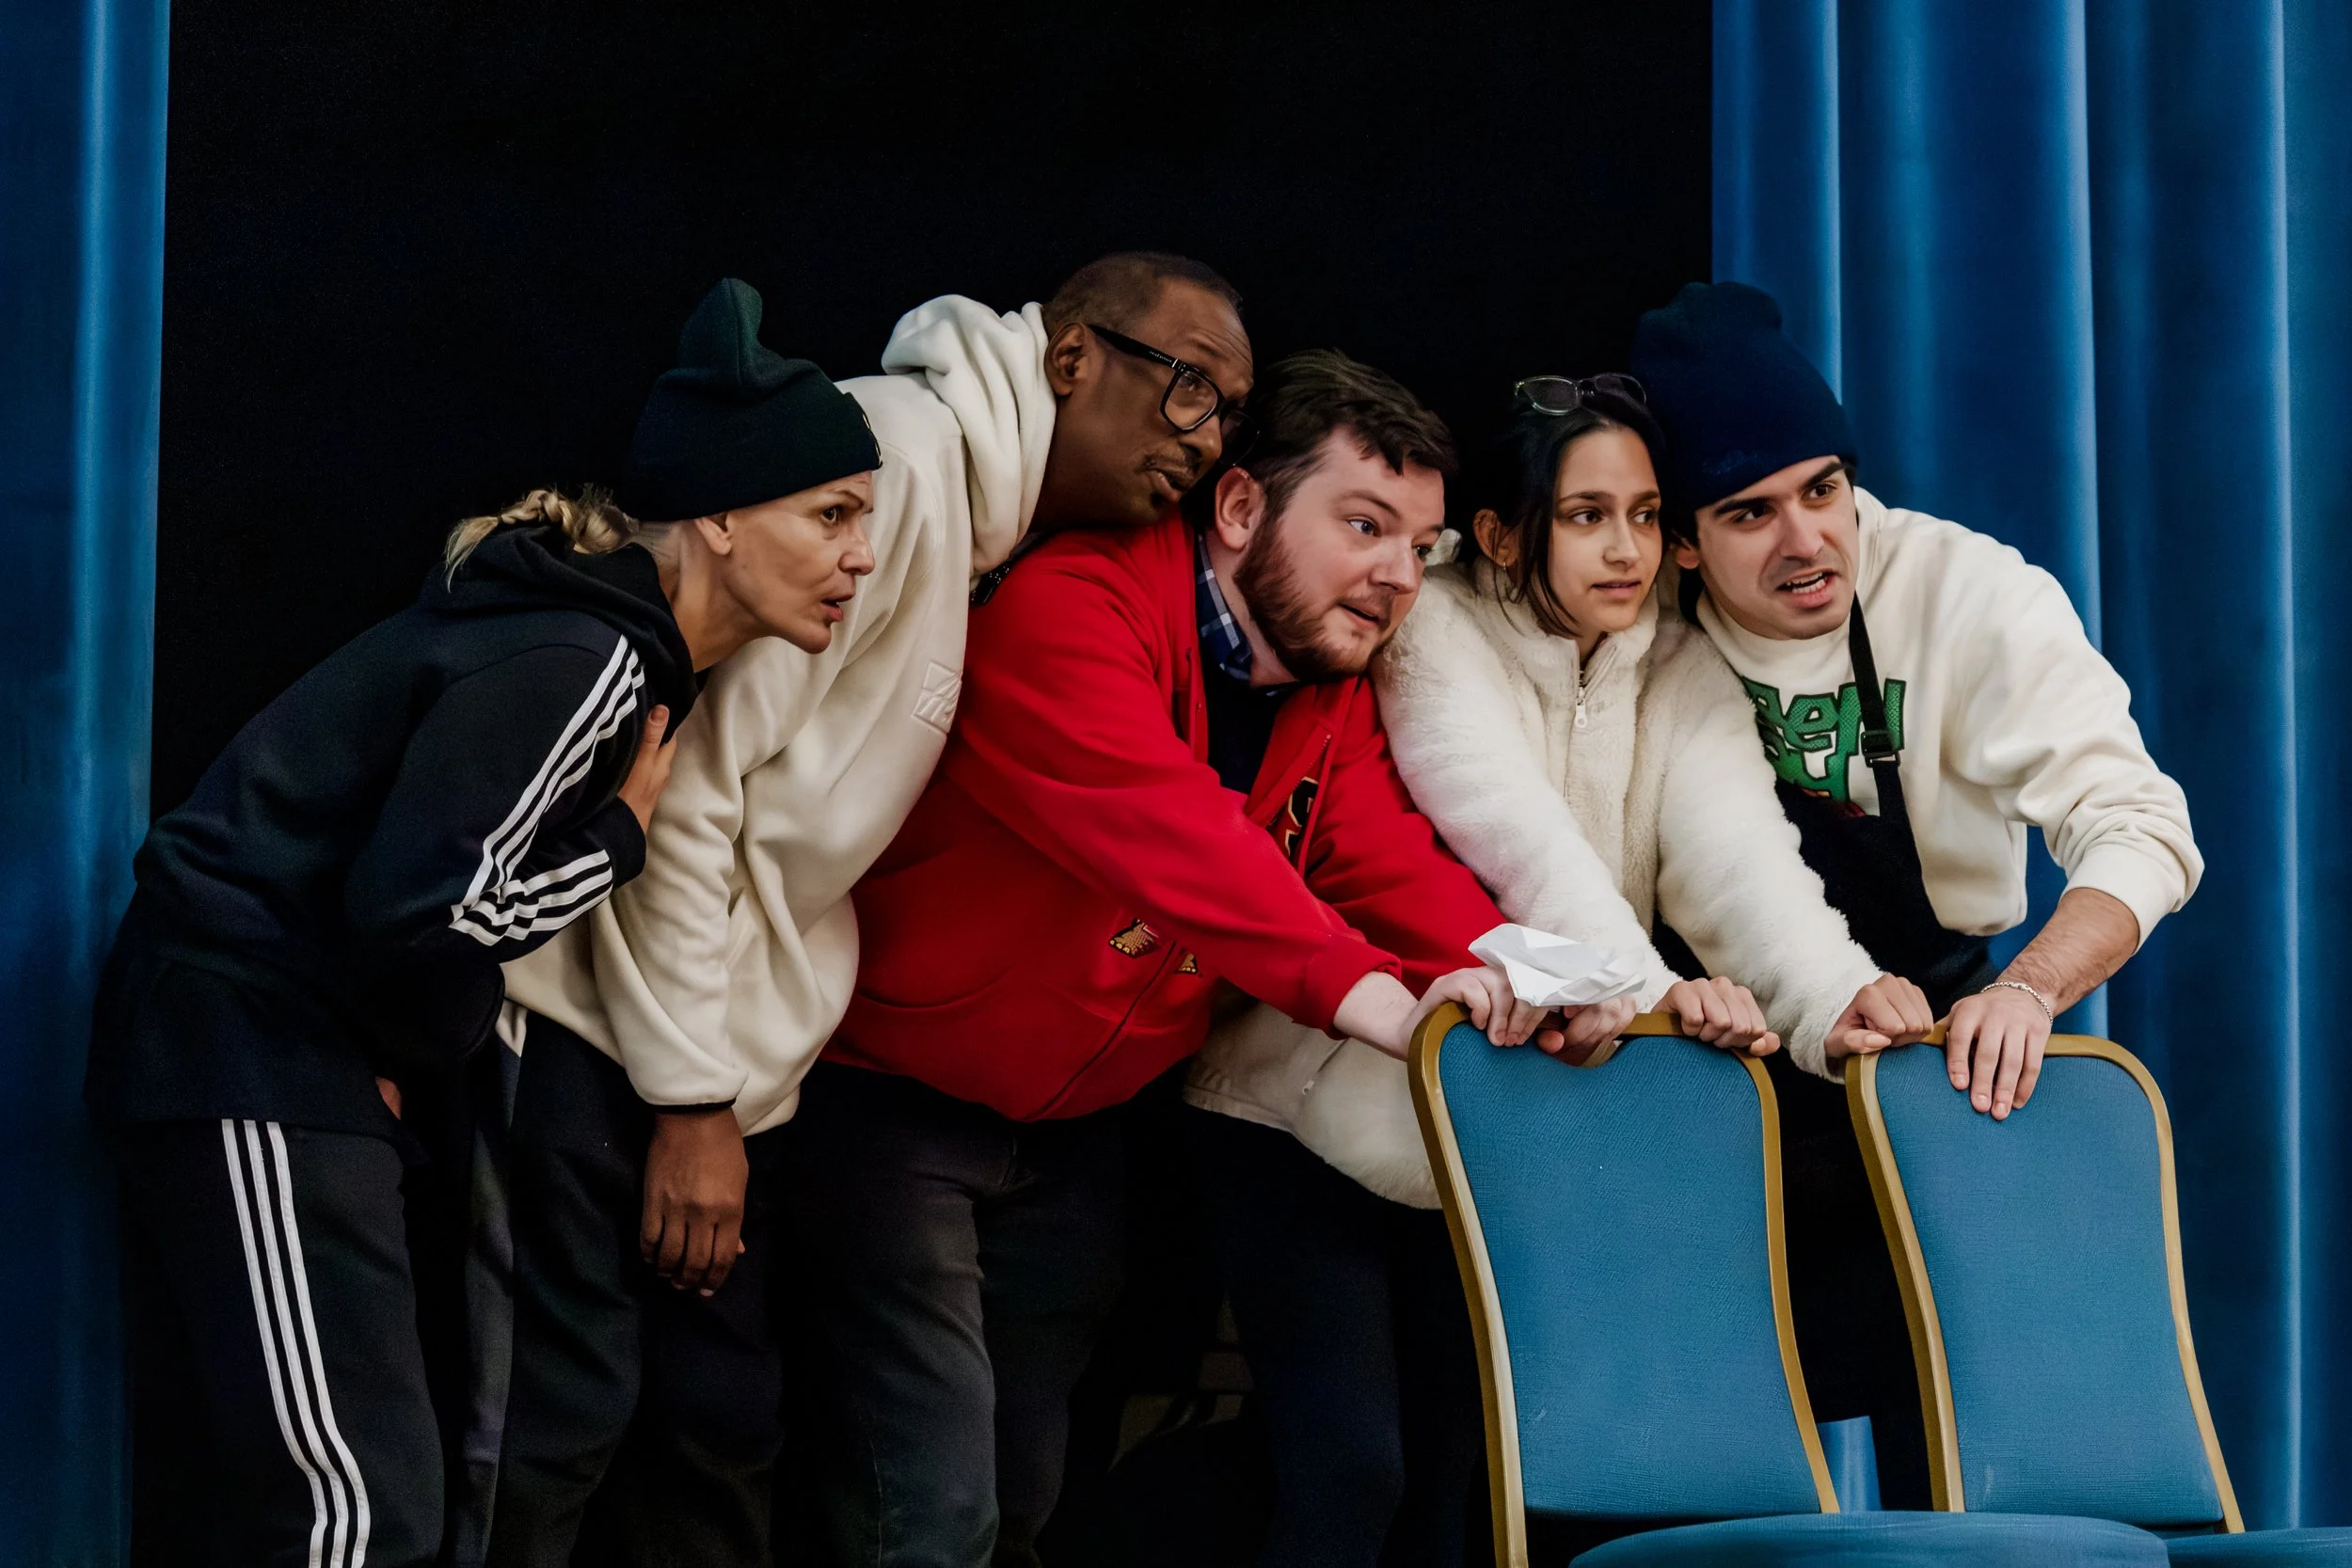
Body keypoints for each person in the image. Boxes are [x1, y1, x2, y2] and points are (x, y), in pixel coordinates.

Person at [82, 274, 879, 1568]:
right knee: (351, 1508)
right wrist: (616, 837)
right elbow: (422, 907)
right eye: (832, 512)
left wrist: (401, 1051)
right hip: (248, 1044)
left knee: (347, 1494)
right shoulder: (585, 658)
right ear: (722, 515)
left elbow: (413, 910)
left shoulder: (590, 648)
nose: (862, 553)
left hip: (307, 1062)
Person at [485, 253, 1258, 1568]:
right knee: (564, 1436)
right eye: (1186, 385)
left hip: (727, 1063)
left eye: (1230, 411)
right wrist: (689, 1098)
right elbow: (686, 790)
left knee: (714, 1436)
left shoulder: (979, 515)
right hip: (603, 1044)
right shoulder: (890, 466)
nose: (1202, 436)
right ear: (1073, 355)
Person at [799, 349, 1608, 1568]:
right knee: (927, 1507)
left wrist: (1544, 983)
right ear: (1238, 507)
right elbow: (1191, 845)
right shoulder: (1068, 605)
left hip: (1079, 1140)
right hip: (899, 1113)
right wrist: (1390, 1005)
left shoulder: (1321, 679)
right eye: (1365, 523)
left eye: (1419, 544)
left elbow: (1381, 850)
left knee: (1023, 1499)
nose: (1398, 575)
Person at [1182, 376, 1935, 1567]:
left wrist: (1838, 1001)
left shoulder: (1678, 661)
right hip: (1302, 1110)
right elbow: (1513, 842)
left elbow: (1744, 868)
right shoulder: (1427, 625)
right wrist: (1648, 997)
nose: (1627, 547)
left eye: (1644, 514)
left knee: (1464, 1489)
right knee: (1342, 1474)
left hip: (1484, 1137)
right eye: (1586, 514)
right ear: (1496, 533)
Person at [1628, 278, 2202, 1502]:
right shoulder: (1641, 634)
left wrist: (2034, 988)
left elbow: (2143, 827)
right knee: (1686, 1472)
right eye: (1748, 511)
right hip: (1716, 1083)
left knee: (1962, 1468)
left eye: (1824, 489)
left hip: (1936, 1069)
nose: (1807, 539)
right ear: (1678, 536)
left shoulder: (1968, 592)